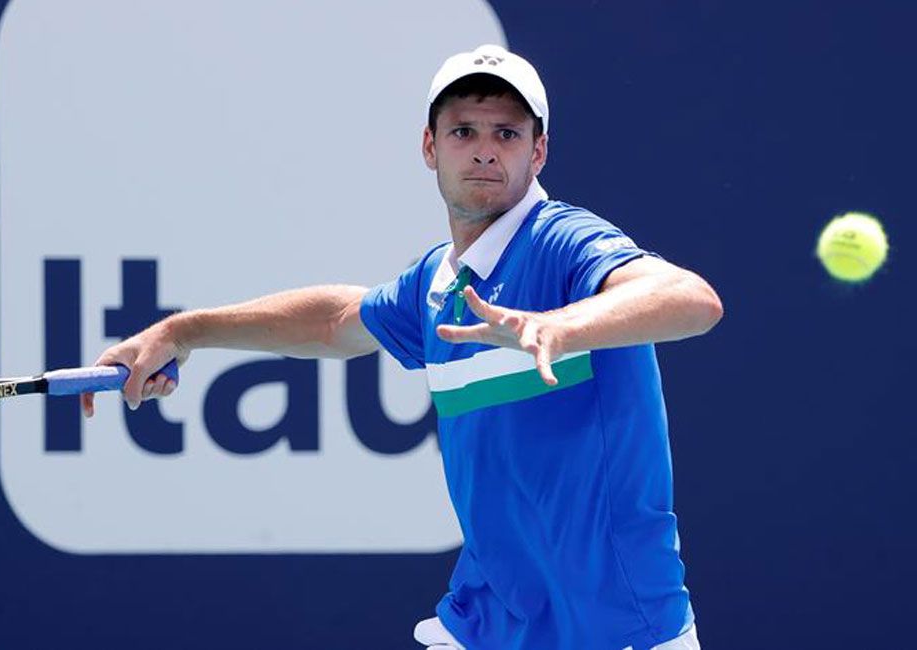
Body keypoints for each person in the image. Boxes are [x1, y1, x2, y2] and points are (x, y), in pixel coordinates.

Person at [82, 44, 721, 650]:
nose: (485, 152)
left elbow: (689, 297)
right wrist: (182, 330)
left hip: (617, 626)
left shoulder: (564, 241)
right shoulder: (437, 282)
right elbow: (335, 322)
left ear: (539, 152)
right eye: (463, 132)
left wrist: (562, 326)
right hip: (486, 618)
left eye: (507, 133)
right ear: (429, 146)